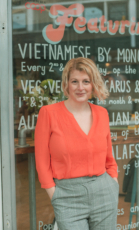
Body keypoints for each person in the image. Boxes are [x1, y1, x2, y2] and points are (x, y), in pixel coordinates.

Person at [35, 57, 119, 230]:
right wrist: (55, 195)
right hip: (67, 195)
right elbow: (42, 162)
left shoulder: (102, 113)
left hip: (104, 191)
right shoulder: (48, 113)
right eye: (75, 81)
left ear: (93, 84)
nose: (80, 88)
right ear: (66, 84)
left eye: (86, 81)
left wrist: (113, 182)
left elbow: (109, 157)